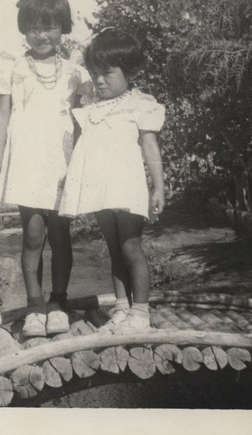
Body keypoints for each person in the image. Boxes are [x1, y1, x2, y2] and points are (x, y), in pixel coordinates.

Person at [0, 0, 91, 338]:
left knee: (61, 235)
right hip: (27, 158)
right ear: (24, 28)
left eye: (50, 26)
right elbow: (2, 115)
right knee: (32, 234)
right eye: (34, 27)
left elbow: (84, 121)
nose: (42, 35)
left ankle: (58, 303)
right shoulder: (13, 67)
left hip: (61, 159)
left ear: (63, 28)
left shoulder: (76, 72)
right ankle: (34, 306)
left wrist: (84, 163)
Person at [59, 28, 165, 333]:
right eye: (95, 74)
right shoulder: (90, 108)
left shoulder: (140, 104)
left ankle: (140, 313)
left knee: (131, 247)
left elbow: (150, 148)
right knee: (113, 249)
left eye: (107, 73)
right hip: (101, 190)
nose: (100, 80)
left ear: (128, 71)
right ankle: (121, 308)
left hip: (127, 189)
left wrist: (158, 187)